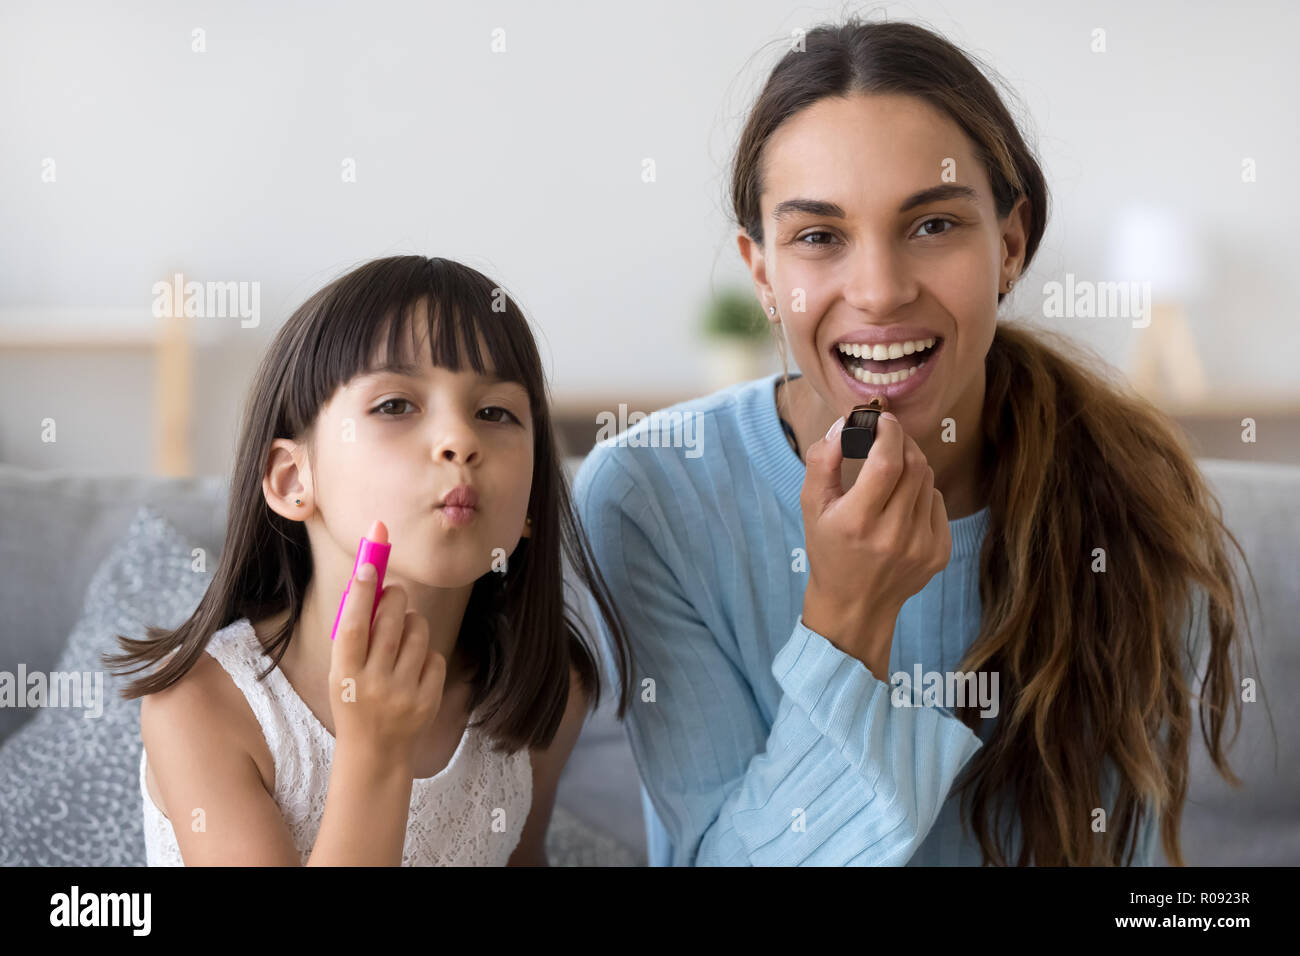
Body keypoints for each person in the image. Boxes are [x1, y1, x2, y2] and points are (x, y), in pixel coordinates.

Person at [574, 19, 1253, 866]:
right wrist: (848, 622)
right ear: (762, 275)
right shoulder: (649, 495)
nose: (881, 291)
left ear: (1009, 246)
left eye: (932, 225)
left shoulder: (1130, 488)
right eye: (818, 236)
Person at [105, 255, 633, 865]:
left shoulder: (547, 689)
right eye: (394, 406)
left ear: (531, 501)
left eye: (495, 413)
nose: (459, 440)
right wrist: (376, 752)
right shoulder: (203, 707)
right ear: (291, 478)